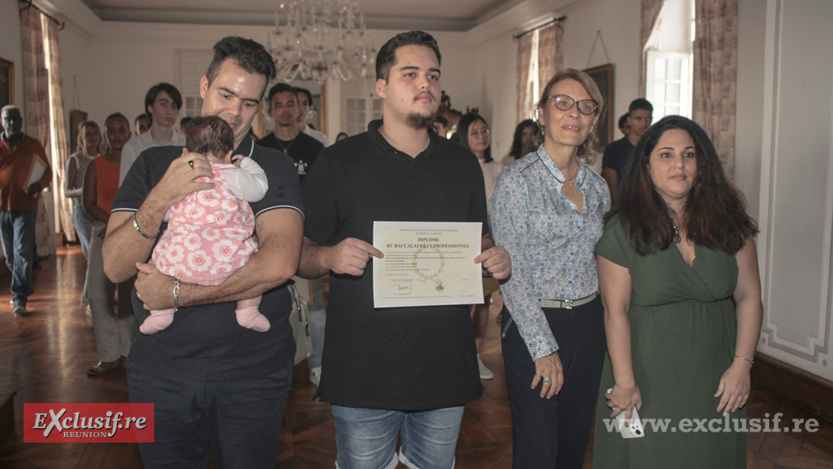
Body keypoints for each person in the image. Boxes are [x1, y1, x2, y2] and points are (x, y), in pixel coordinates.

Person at [298, 30, 511, 469]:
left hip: (445, 365)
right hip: (363, 368)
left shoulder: (462, 164)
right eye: (409, 73)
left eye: (432, 75)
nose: (425, 84)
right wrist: (330, 257)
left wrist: (495, 256)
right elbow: (299, 253)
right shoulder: (339, 162)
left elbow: (480, 238)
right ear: (381, 87)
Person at [102, 36, 303, 467]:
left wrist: (175, 294)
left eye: (249, 103)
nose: (234, 111)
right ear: (204, 85)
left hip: (254, 374)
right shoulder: (152, 163)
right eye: (226, 94)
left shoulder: (268, 168)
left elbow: (279, 263)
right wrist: (161, 197)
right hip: (160, 373)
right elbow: (115, 266)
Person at [593, 115, 762, 469]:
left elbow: (749, 297)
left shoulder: (730, 222)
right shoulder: (622, 230)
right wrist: (625, 383)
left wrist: (742, 367)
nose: (679, 165)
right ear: (646, 165)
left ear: (703, 163)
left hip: (718, 375)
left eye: (689, 154)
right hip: (645, 374)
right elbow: (615, 310)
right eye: (666, 155)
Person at [489, 68, 609, 469]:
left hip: (589, 323)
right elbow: (513, 273)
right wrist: (543, 350)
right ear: (541, 113)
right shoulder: (516, 181)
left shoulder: (599, 186)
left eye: (585, 106)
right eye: (562, 102)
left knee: (574, 445)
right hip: (533, 321)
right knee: (540, 449)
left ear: (593, 120)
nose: (574, 113)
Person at [140, 116, 270, 335]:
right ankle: (248, 310)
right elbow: (259, 189)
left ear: (187, 153)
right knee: (255, 258)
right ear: (229, 154)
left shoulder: (183, 179)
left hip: (181, 262)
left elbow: (166, 215)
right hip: (227, 261)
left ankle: (160, 313)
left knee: (155, 259)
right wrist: (247, 164)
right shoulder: (232, 174)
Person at [453, 112, 502, 380]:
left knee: (483, 301)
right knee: (461, 300)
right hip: (463, 239)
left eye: (484, 131)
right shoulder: (456, 165)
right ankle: (457, 355)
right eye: (474, 132)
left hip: (488, 238)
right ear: (464, 136)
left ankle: (476, 355)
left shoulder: (497, 168)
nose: (481, 136)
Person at [85, 113, 134, 376]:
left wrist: (120, 226)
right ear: (105, 135)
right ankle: (108, 355)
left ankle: (127, 352)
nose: (116, 136)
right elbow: (88, 203)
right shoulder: (96, 165)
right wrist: (111, 223)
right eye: (111, 131)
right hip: (102, 233)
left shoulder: (135, 163)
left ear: (129, 133)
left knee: (127, 295)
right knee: (98, 294)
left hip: (128, 235)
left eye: (121, 130)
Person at [0, 105, 52, 315]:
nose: (13, 123)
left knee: (22, 251)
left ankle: (20, 296)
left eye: (16, 119)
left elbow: (48, 172)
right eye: (8, 119)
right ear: (2, 122)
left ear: (22, 121)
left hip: (26, 207)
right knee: (11, 257)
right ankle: (23, 286)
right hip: (2, 208)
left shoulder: (33, 145)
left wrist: (38, 185)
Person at [119, 83, 186, 185]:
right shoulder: (133, 148)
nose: (170, 111)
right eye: (163, 104)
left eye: (174, 106)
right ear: (150, 107)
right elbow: (126, 189)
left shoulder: (187, 143)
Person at [258, 83, 324, 183]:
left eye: (290, 105)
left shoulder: (315, 148)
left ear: (298, 109)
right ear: (271, 112)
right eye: (279, 106)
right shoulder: (260, 148)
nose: (285, 110)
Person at [601, 98, 653, 201]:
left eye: (647, 119)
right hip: (623, 207)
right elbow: (612, 187)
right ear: (629, 120)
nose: (644, 123)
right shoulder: (614, 150)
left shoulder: (654, 148)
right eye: (639, 119)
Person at [66, 120, 101, 261]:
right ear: (81, 137)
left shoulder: (103, 158)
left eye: (95, 133)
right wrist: (84, 190)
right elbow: (67, 191)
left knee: (101, 252)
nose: (92, 137)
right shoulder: (75, 159)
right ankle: (92, 283)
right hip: (82, 210)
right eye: (88, 134)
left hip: (101, 209)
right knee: (91, 253)